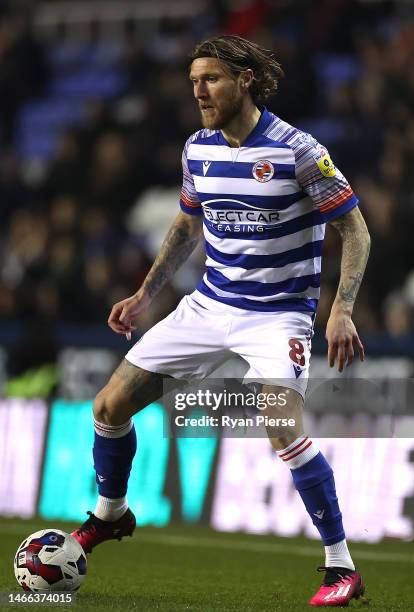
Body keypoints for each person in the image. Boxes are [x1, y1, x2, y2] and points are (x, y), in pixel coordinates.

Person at [72, 36, 371, 607]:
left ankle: (341, 569)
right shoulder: (197, 149)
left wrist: (342, 308)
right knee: (108, 407)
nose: (199, 91)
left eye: (210, 79)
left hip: (276, 317)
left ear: (246, 80)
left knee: (281, 425)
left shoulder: (298, 150)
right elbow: (188, 228)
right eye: (192, 82)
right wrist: (144, 293)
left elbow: (354, 229)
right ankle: (111, 515)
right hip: (207, 306)